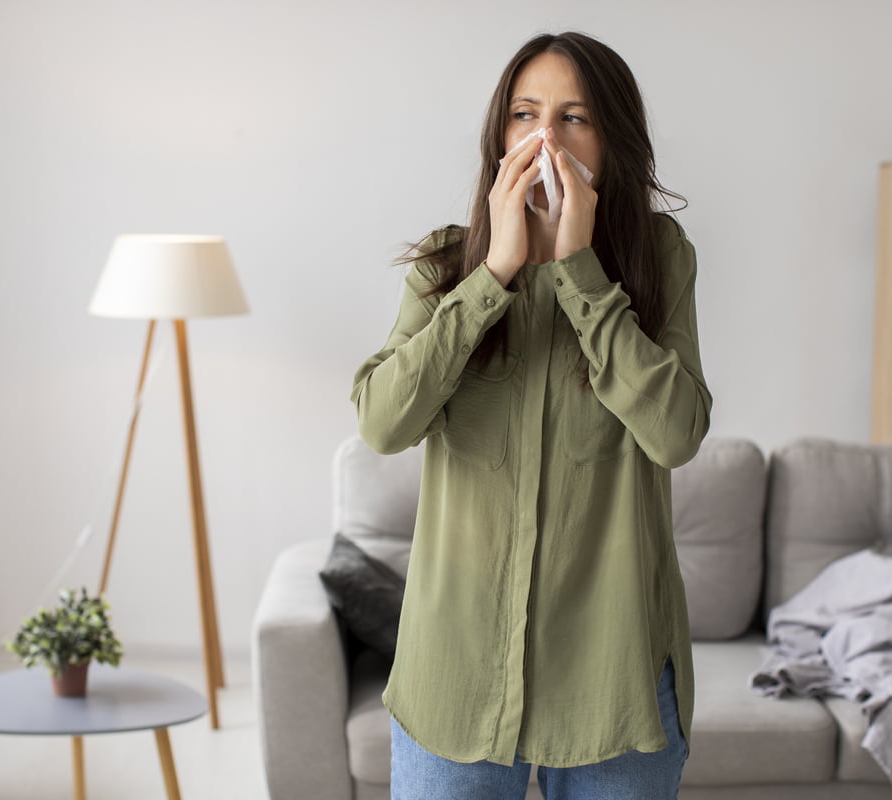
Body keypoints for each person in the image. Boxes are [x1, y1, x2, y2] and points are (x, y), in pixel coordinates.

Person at [350, 30, 712, 800]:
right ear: (500, 134)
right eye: (526, 113)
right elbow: (383, 424)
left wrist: (579, 272)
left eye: (575, 117)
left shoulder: (661, 258)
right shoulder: (444, 269)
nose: (546, 136)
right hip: (454, 678)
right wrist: (493, 274)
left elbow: (677, 433)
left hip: (615, 681)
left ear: (612, 141)